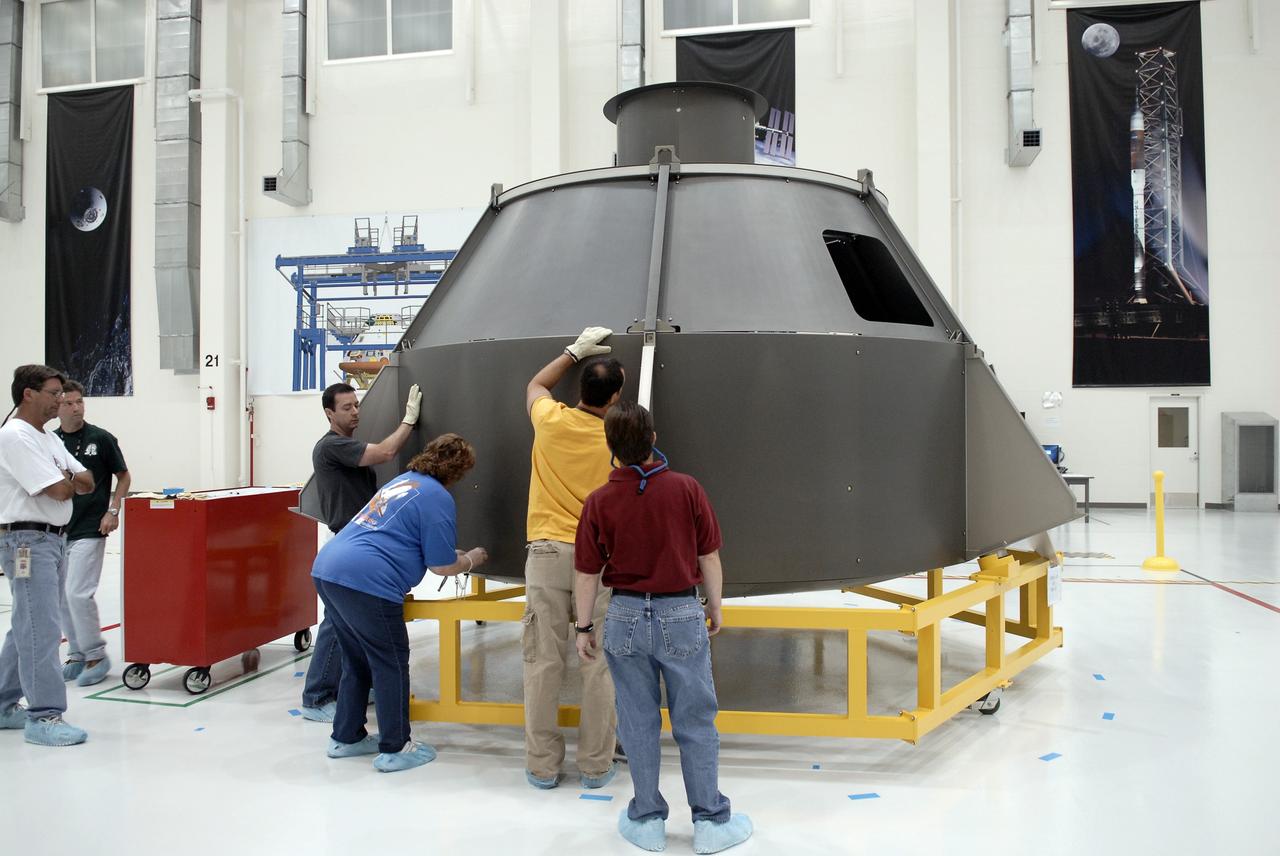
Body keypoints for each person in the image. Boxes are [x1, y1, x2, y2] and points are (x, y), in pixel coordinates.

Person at [574, 401, 752, 854]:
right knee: (695, 717)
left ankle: (648, 817)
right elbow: (708, 556)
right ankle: (710, 821)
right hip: (680, 614)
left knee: (637, 721)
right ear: (653, 439)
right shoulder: (687, 489)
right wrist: (714, 606)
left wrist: (583, 626)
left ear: (610, 446)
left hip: (625, 618)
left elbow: (586, 572)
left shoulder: (599, 501)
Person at [311, 433, 488, 772]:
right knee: (390, 661)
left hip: (329, 569)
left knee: (357, 660)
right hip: (369, 582)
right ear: (458, 470)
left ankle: (345, 738)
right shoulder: (438, 497)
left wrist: (451, 555)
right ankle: (396, 747)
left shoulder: (403, 483)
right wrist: (471, 560)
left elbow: (401, 538)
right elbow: (440, 566)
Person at [522, 327, 625, 790]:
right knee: (598, 665)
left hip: (545, 554)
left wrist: (572, 351)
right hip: (598, 564)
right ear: (616, 396)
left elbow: (535, 386)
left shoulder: (550, 421)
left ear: (581, 391)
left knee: (542, 663)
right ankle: (596, 765)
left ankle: (542, 767)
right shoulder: (619, 443)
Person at [302, 381, 424, 722]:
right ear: (329, 413)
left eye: (357, 405)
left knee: (356, 620)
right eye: (347, 407)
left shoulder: (346, 445)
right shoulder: (331, 447)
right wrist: (409, 422)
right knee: (337, 622)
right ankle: (317, 697)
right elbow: (385, 453)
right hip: (347, 545)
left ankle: (353, 685)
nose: (355, 411)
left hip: (360, 544)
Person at [0, 365, 95, 746]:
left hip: (53, 539)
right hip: (27, 541)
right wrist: (68, 482)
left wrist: (68, 482)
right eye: (55, 393)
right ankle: (45, 716)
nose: (62, 400)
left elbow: (86, 479)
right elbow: (58, 490)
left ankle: (3, 703)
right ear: (28, 394)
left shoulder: (47, 439)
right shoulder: (16, 437)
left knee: (29, 624)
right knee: (41, 629)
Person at [53, 379, 130, 687]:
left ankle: (96, 654)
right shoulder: (50, 440)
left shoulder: (101, 438)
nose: (76, 408)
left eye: (79, 402)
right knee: (61, 596)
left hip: (91, 527)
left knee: (77, 592)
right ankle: (77, 653)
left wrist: (113, 510)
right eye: (69, 403)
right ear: (57, 407)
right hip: (58, 530)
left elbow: (123, 476)